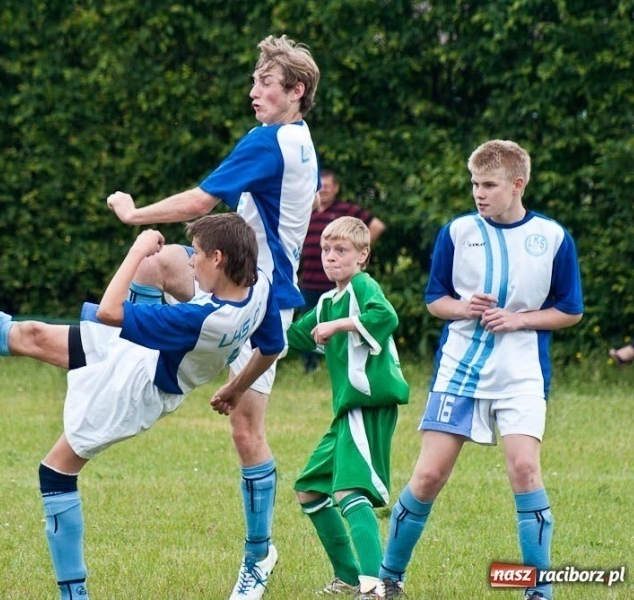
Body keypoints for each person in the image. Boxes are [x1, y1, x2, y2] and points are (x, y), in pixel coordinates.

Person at [0, 213, 286, 600]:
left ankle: (74, 596)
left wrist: (138, 249)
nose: (191, 263)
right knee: (33, 335)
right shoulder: (260, 285)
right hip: (147, 355)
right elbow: (272, 346)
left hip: (137, 387)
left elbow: (108, 311)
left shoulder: (201, 319)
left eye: (197, 256)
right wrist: (235, 387)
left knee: (55, 472)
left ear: (219, 257)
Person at [106, 34, 320, 599]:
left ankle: (258, 556)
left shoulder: (270, 142)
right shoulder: (299, 140)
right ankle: (142, 360)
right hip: (238, 284)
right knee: (152, 269)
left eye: (265, 84)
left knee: (246, 429)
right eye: (254, 81)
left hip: (258, 302)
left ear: (296, 91)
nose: (254, 92)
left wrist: (134, 215)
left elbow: (202, 203)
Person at [378, 140, 583, 600]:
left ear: (517, 184)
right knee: (428, 476)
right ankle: (388, 579)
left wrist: (520, 319)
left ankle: (539, 591)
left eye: (489, 184)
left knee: (526, 470)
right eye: (474, 184)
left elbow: (570, 310)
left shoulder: (551, 238)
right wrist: (464, 307)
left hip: (521, 375)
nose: (479, 193)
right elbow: (435, 301)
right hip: (459, 373)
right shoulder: (456, 233)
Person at [276, 216, 409, 599]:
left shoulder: (362, 286)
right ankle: (350, 576)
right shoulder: (326, 301)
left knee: (351, 492)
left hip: (367, 407)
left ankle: (376, 586)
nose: (331, 258)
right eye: (326, 250)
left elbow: (386, 316)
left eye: (341, 250)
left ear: (362, 255)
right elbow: (295, 335)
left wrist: (339, 327)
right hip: (345, 414)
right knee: (310, 489)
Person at [298, 169, 387, 373]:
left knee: (340, 321)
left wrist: (355, 251)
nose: (323, 191)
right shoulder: (307, 212)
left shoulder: (345, 211)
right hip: (311, 278)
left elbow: (377, 226)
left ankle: (341, 361)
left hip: (337, 281)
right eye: (319, 188)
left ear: (336, 188)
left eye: (327, 187)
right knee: (309, 322)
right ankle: (309, 365)